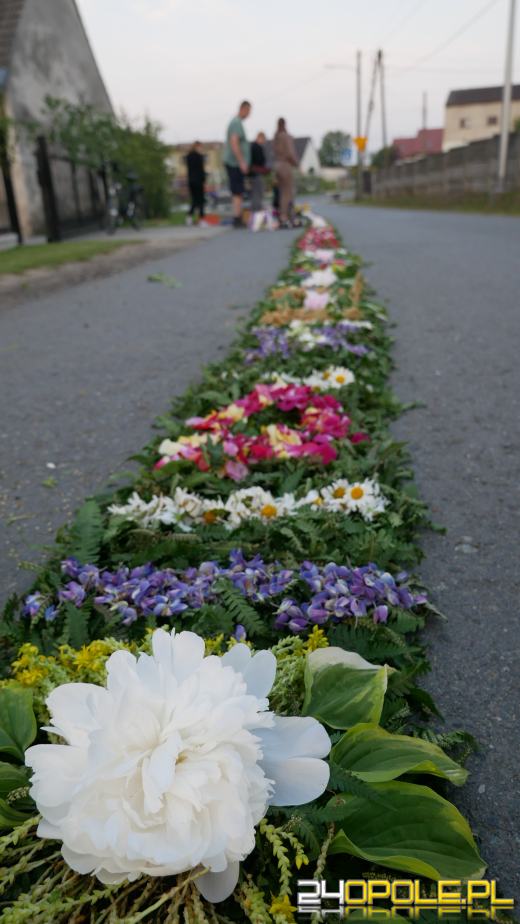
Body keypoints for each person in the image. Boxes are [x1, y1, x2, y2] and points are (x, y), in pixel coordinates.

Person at [223, 100, 251, 227]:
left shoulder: (236, 122)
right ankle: (237, 217)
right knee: (237, 190)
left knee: (238, 191)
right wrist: (242, 161)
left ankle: (238, 216)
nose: (249, 114)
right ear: (243, 109)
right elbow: (234, 143)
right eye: (249, 111)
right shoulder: (236, 123)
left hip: (235, 162)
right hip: (234, 162)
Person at [272, 117, 298, 228]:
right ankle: (286, 216)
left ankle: (282, 215)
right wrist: (296, 163)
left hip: (277, 166)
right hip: (285, 166)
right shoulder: (286, 137)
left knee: (282, 192)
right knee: (288, 192)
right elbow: (290, 153)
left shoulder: (276, 137)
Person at [185, 142, 206, 225]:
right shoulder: (199, 157)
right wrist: (204, 180)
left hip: (191, 181)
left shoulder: (188, 157)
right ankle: (201, 219)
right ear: (197, 147)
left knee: (194, 200)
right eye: (200, 147)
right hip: (198, 181)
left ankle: (189, 217)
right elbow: (201, 170)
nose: (201, 149)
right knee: (201, 200)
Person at [249, 131, 268, 213]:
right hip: (257, 173)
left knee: (254, 193)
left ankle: (255, 210)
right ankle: (257, 211)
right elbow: (260, 160)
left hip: (252, 173)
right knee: (258, 193)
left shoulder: (251, 146)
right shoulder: (257, 147)